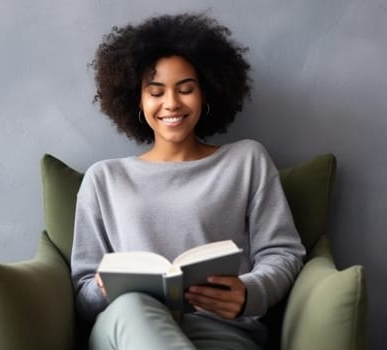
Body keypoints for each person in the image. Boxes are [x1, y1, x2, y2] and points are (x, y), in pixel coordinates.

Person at [70, 13, 305, 350]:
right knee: (132, 307)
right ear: (137, 99)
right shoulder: (104, 179)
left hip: (221, 332)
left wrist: (249, 292)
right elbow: (83, 292)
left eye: (186, 89)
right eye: (156, 92)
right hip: (125, 328)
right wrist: (102, 288)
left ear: (205, 93)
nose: (171, 104)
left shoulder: (245, 161)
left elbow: (283, 253)